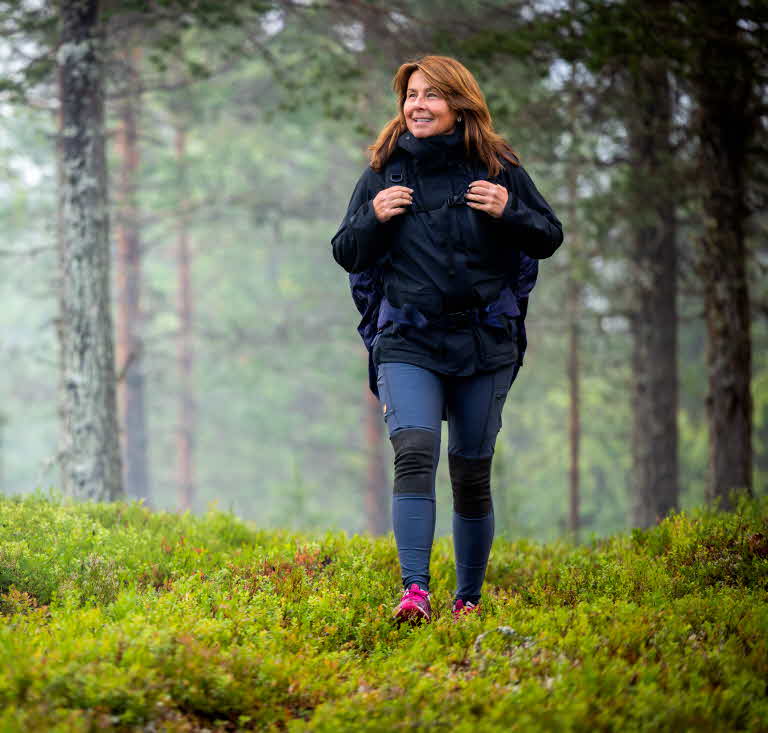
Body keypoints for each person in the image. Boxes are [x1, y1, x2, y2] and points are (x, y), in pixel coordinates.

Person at [331, 55, 563, 624]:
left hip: (484, 341)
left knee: (469, 469)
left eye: (432, 95)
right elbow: (346, 251)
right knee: (413, 454)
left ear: (459, 103)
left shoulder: (498, 167)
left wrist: (510, 211)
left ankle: (468, 600)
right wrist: (371, 217)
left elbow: (548, 236)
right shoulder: (385, 172)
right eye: (411, 95)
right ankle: (415, 593)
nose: (418, 105)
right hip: (409, 338)